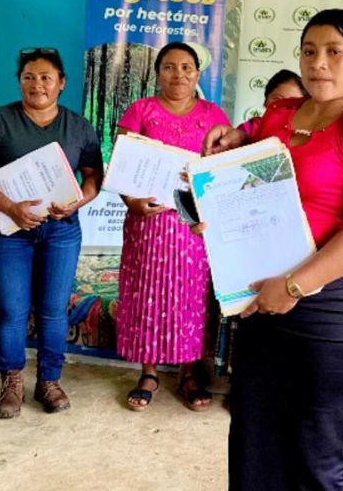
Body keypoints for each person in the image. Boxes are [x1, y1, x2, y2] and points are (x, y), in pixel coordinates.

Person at [203, 8, 343, 490]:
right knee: (255, 450)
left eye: (336, 52)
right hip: (261, 304)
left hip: (331, 311)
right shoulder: (279, 116)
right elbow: (244, 157)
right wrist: (225, 153)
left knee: (319, 465)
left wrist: (294, 285)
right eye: (309, 51)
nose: (319, 63)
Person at [0, 47, 103, 418]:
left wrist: (79, 201)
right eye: (28, 77)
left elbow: (93, 177)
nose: (37, 84)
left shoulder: (78, 126)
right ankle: (12, 382)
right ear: (19, 81)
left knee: (54, 310)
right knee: (12, 311)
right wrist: (11, 207)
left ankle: (49, 381)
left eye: (45, 78)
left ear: (61, 83)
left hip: (61, 231)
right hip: (9, 233)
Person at [116, 41, 230, 412]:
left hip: (192, 226)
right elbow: (121, 165)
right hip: (147, 223)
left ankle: (188, 374)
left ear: (197, 74)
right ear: (158, 73)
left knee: (190, 297)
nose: (178, 74)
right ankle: (148, 373)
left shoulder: (214, 116)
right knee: (147, 294)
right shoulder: (141, 110)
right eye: (169, 67)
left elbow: (223, 169)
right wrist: (131, 202)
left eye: (186, 67)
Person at [210, 69, 305, 385]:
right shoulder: (249, 136)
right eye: (277, 100)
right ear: (266, 104)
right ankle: (243, 383)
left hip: (295, 249)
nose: (283, 107)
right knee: (251, 315)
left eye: (292, 101)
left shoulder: (313, 136)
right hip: (250, 245)